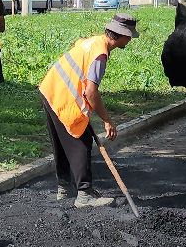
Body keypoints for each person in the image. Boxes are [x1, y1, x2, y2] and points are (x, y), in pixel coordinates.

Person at [37, 12, 138, 208]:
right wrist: (107, 120)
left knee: (62, 143)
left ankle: (64, 187)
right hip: (64, 97)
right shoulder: (100, 54)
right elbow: (91, 92)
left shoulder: (92, 41)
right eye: (130, 36)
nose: (130, 40)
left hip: (50, 89)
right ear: (122, 35)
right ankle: (84, 194)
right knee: (81, 143)